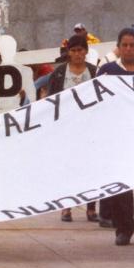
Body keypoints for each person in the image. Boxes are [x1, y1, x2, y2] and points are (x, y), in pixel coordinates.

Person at [97, 27, 134, 246]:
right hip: (117, 138)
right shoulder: (107, 71)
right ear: (118, 47)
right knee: (121, 187)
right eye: (124, 45)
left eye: (132, 45)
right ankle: (123, 230)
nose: (128, 49)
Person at [46, 35, 98, 223]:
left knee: (91, 168)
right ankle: (66, 207)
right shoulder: (59, 73)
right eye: (74, 50)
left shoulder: (95, 71)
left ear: (86, 51)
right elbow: (50, 100)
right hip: (65, 129)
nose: (77, 54)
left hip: (89, 129)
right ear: (68, 52)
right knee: (66, 168)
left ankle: (91, 207)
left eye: (80, 50)